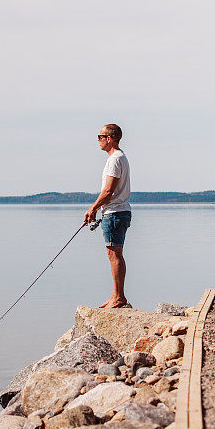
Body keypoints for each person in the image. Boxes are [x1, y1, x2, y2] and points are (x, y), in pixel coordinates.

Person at [84, 124, 131, 309]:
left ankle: (118, 297)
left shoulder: (115, 159)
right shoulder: (119, 158)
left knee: (114, 255)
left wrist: (93, 208)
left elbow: (108, 191)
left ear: (109, 138)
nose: (98, 140)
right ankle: (116, 295)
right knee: (115, 254)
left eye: (100, 136)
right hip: (118, 211)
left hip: (115, 213)